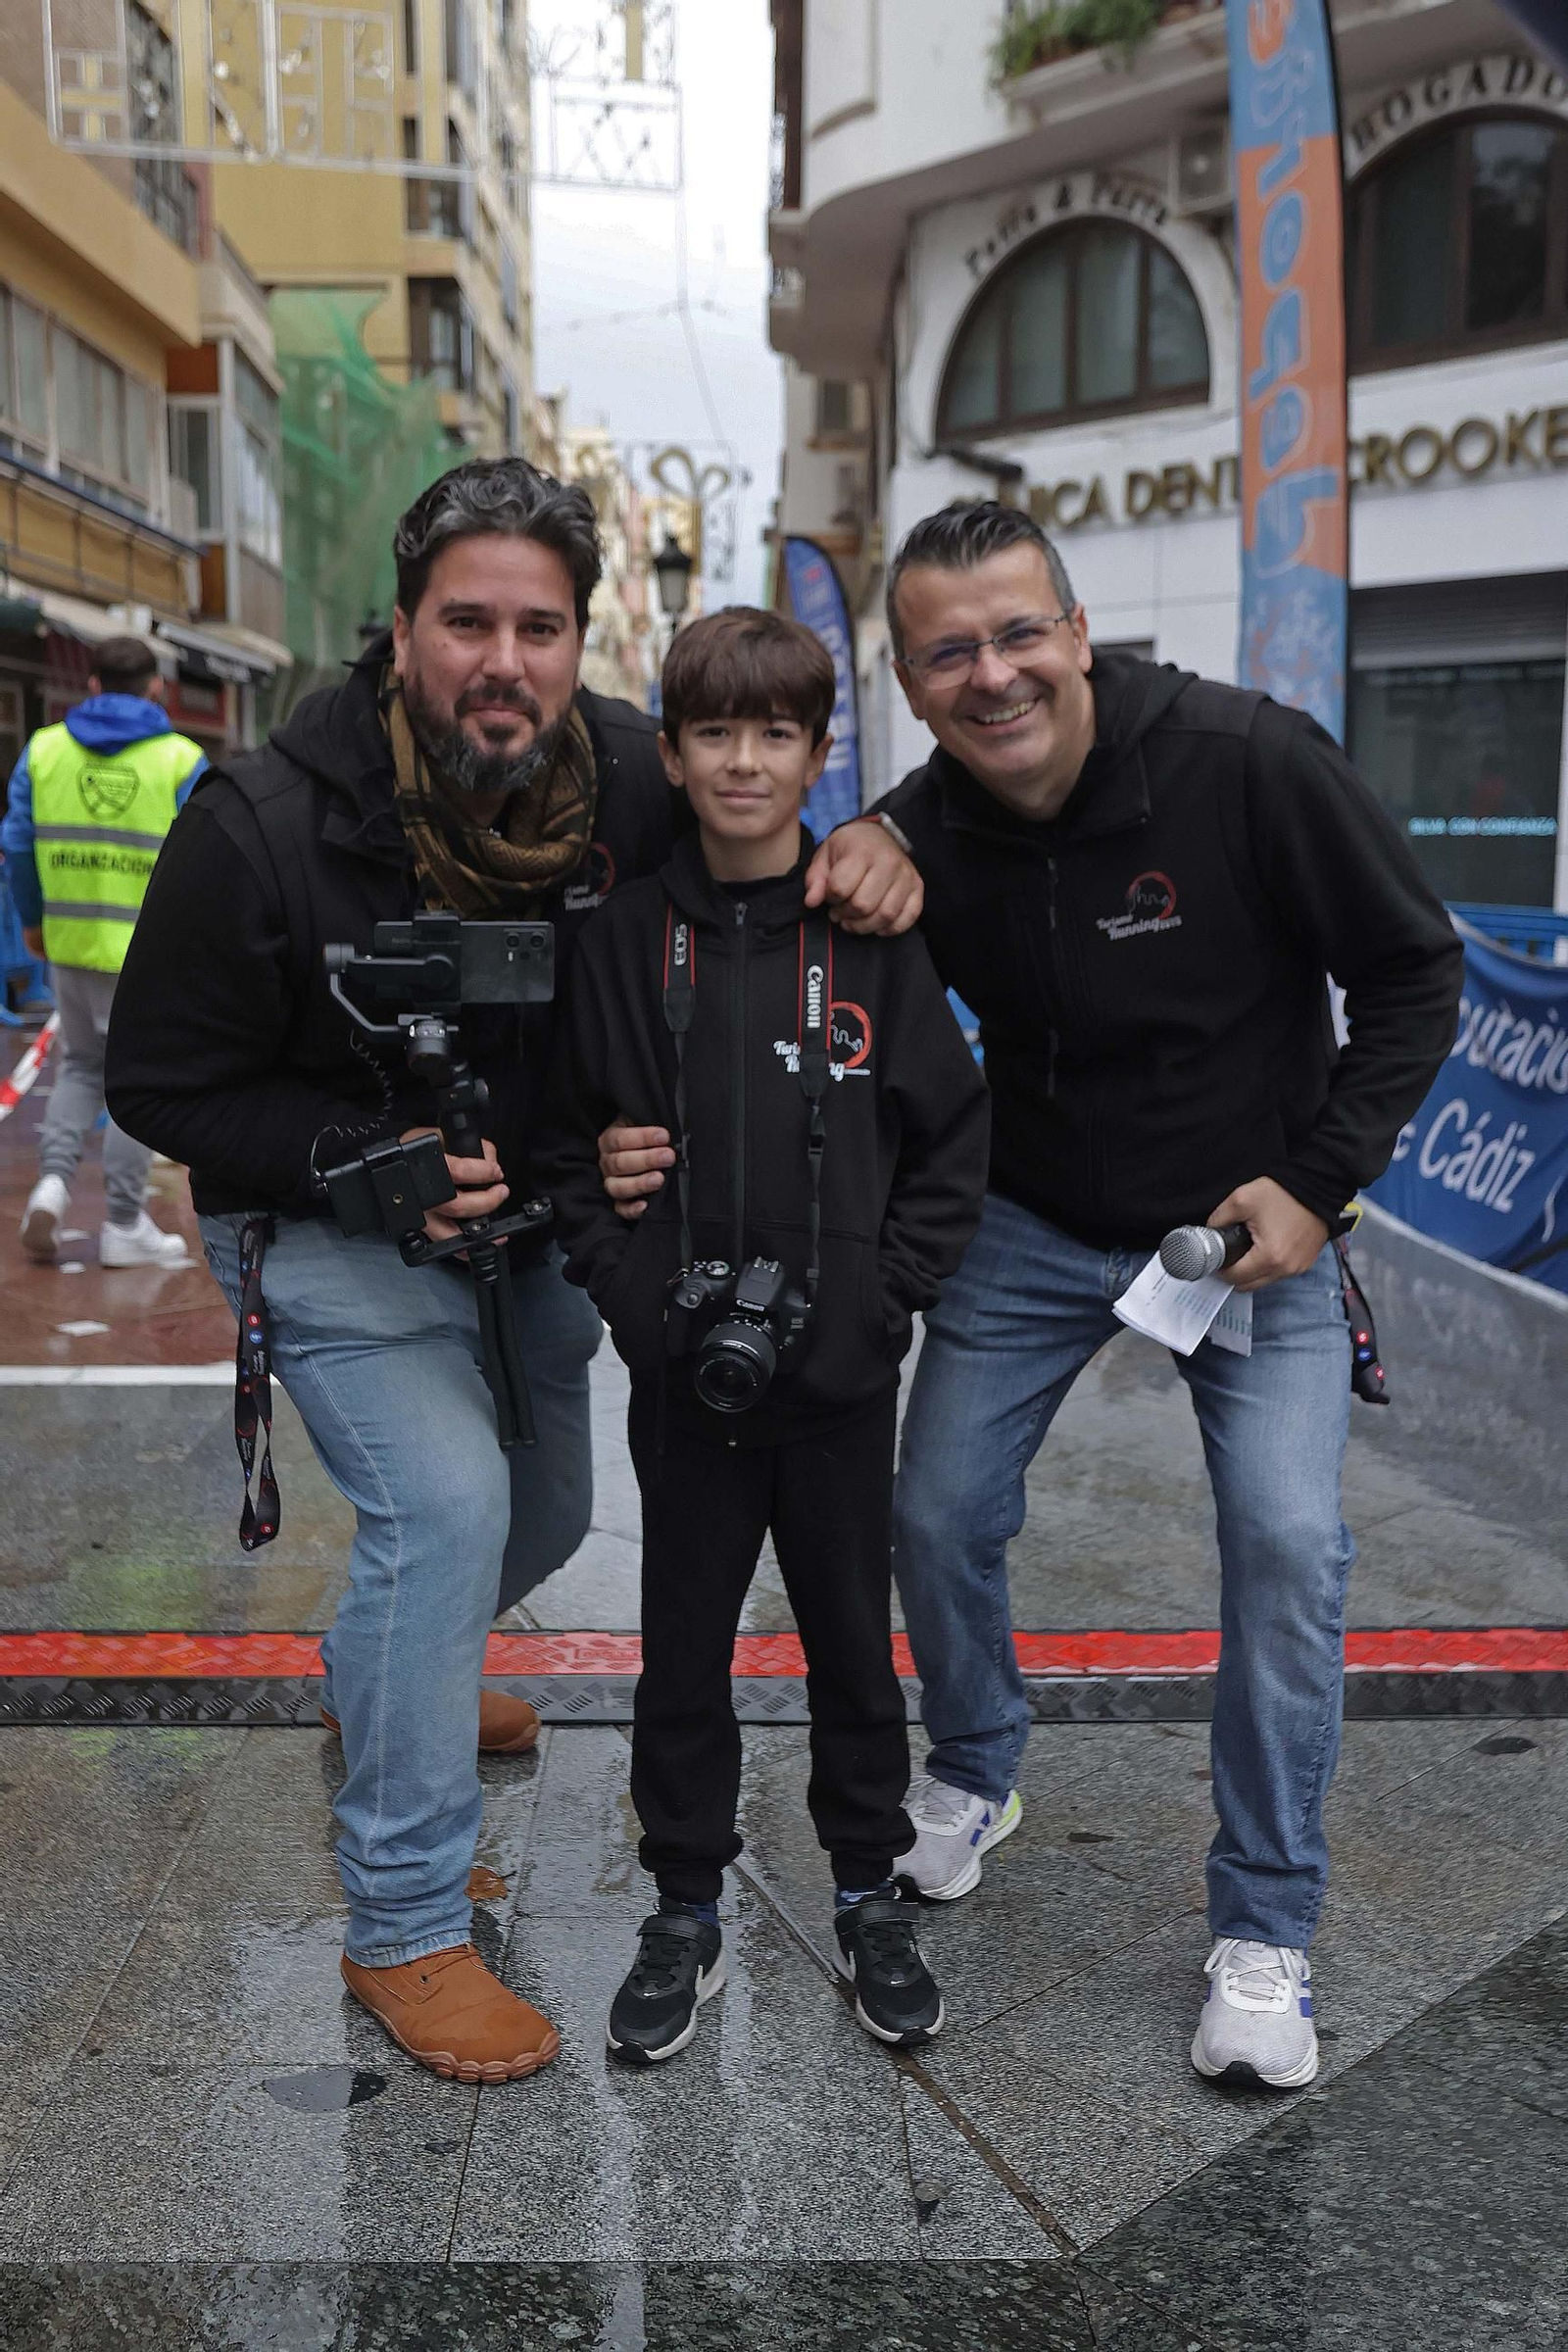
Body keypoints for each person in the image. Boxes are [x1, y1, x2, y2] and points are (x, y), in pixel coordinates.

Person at [597, 502, 1465, 2092]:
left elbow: (1417, 972)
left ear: (1077, 632)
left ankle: (1264, 1928)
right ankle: (978, 1769)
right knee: (930, 1514)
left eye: (1018, 634)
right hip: (1038, 1222)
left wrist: (1322, 1175)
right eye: (949, 654)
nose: (992, 674)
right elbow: (842, 940)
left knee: (1285, 1546)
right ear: (913, 693)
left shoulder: (1249, 763)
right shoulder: (918, 833)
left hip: (1246, 1224)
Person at [103, 458, 922, 2084]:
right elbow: (159, 1088)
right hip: (323, 1218)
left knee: (547, 1511)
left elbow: (767, 837)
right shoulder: (262, 821)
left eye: (539, 626)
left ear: (580, 638)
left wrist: (879, 847)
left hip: (532, 1214)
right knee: (453, 1510)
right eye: (465, 620)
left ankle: (386, 1673)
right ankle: (404, 1920)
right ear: (401, 631)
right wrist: (363, 1158)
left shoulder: (629, 777)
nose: (505, 659)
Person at [542, 608, 989, 2064]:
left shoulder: (869, 931)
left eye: (776, 733)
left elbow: (952, 1135)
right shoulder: (617, 942)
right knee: (681, 1656)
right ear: (669, 754)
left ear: (816, 754)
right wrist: (628, 1292)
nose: (745, 761)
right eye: (716, 733)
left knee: (857, 1649)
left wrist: (886, 1294)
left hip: (844, 1380)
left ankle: (869, 1890)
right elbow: (564, 1149)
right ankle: (685, 1904)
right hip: (685, 1379)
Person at [3, 636, 205, 1267]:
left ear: (91, 685)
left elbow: (17, 846)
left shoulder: (42, 752)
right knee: (133, 1081)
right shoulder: (180, 760)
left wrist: (35, 928)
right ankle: (122, 1222)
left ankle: (54, 1184)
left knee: (82, 1068)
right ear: (155, 687)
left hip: (68, 945)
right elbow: (206, 864)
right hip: (149, 957)